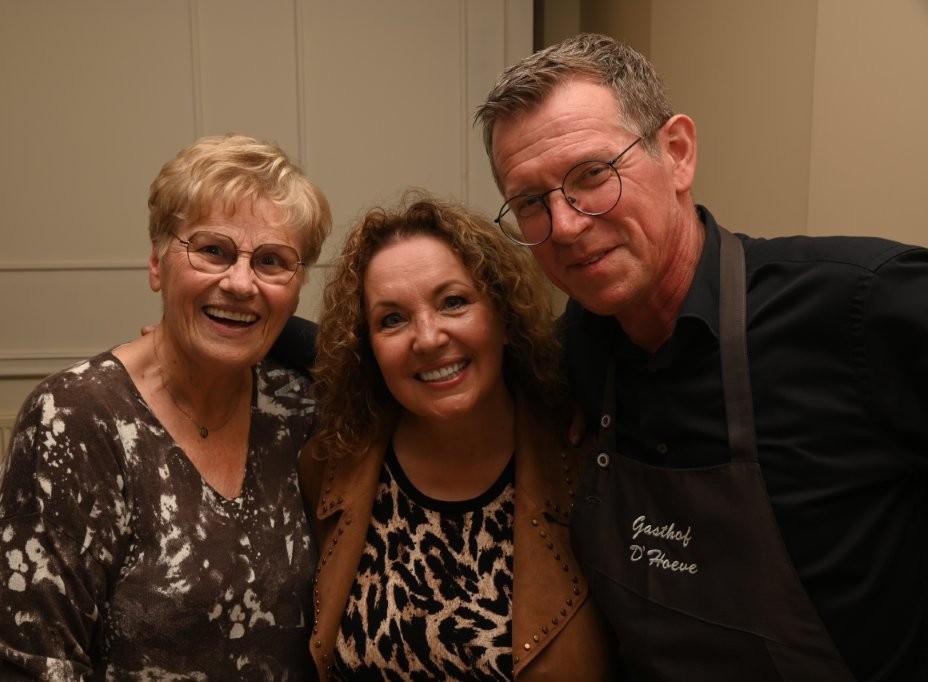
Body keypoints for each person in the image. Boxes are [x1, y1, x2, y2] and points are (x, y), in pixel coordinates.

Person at [475, 33, 928, 681]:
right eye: (530, 203)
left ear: (678, 154)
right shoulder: (570, 356)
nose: (566, 225)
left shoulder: (862, 305)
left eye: (592, 176)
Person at [0, 134, 331, 680]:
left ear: (296, 287)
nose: (240, 283)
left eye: (271, 262)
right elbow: (28, 660)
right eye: (213, 251)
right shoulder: (75, 418)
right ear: (157, 265)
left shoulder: (298, 406)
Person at [298, 196, 612, 681]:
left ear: (505, 316)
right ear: (368, 348)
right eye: (392, 319)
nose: (428, 338)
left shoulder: (588, 464)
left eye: (453, 302)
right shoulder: (328, 467)